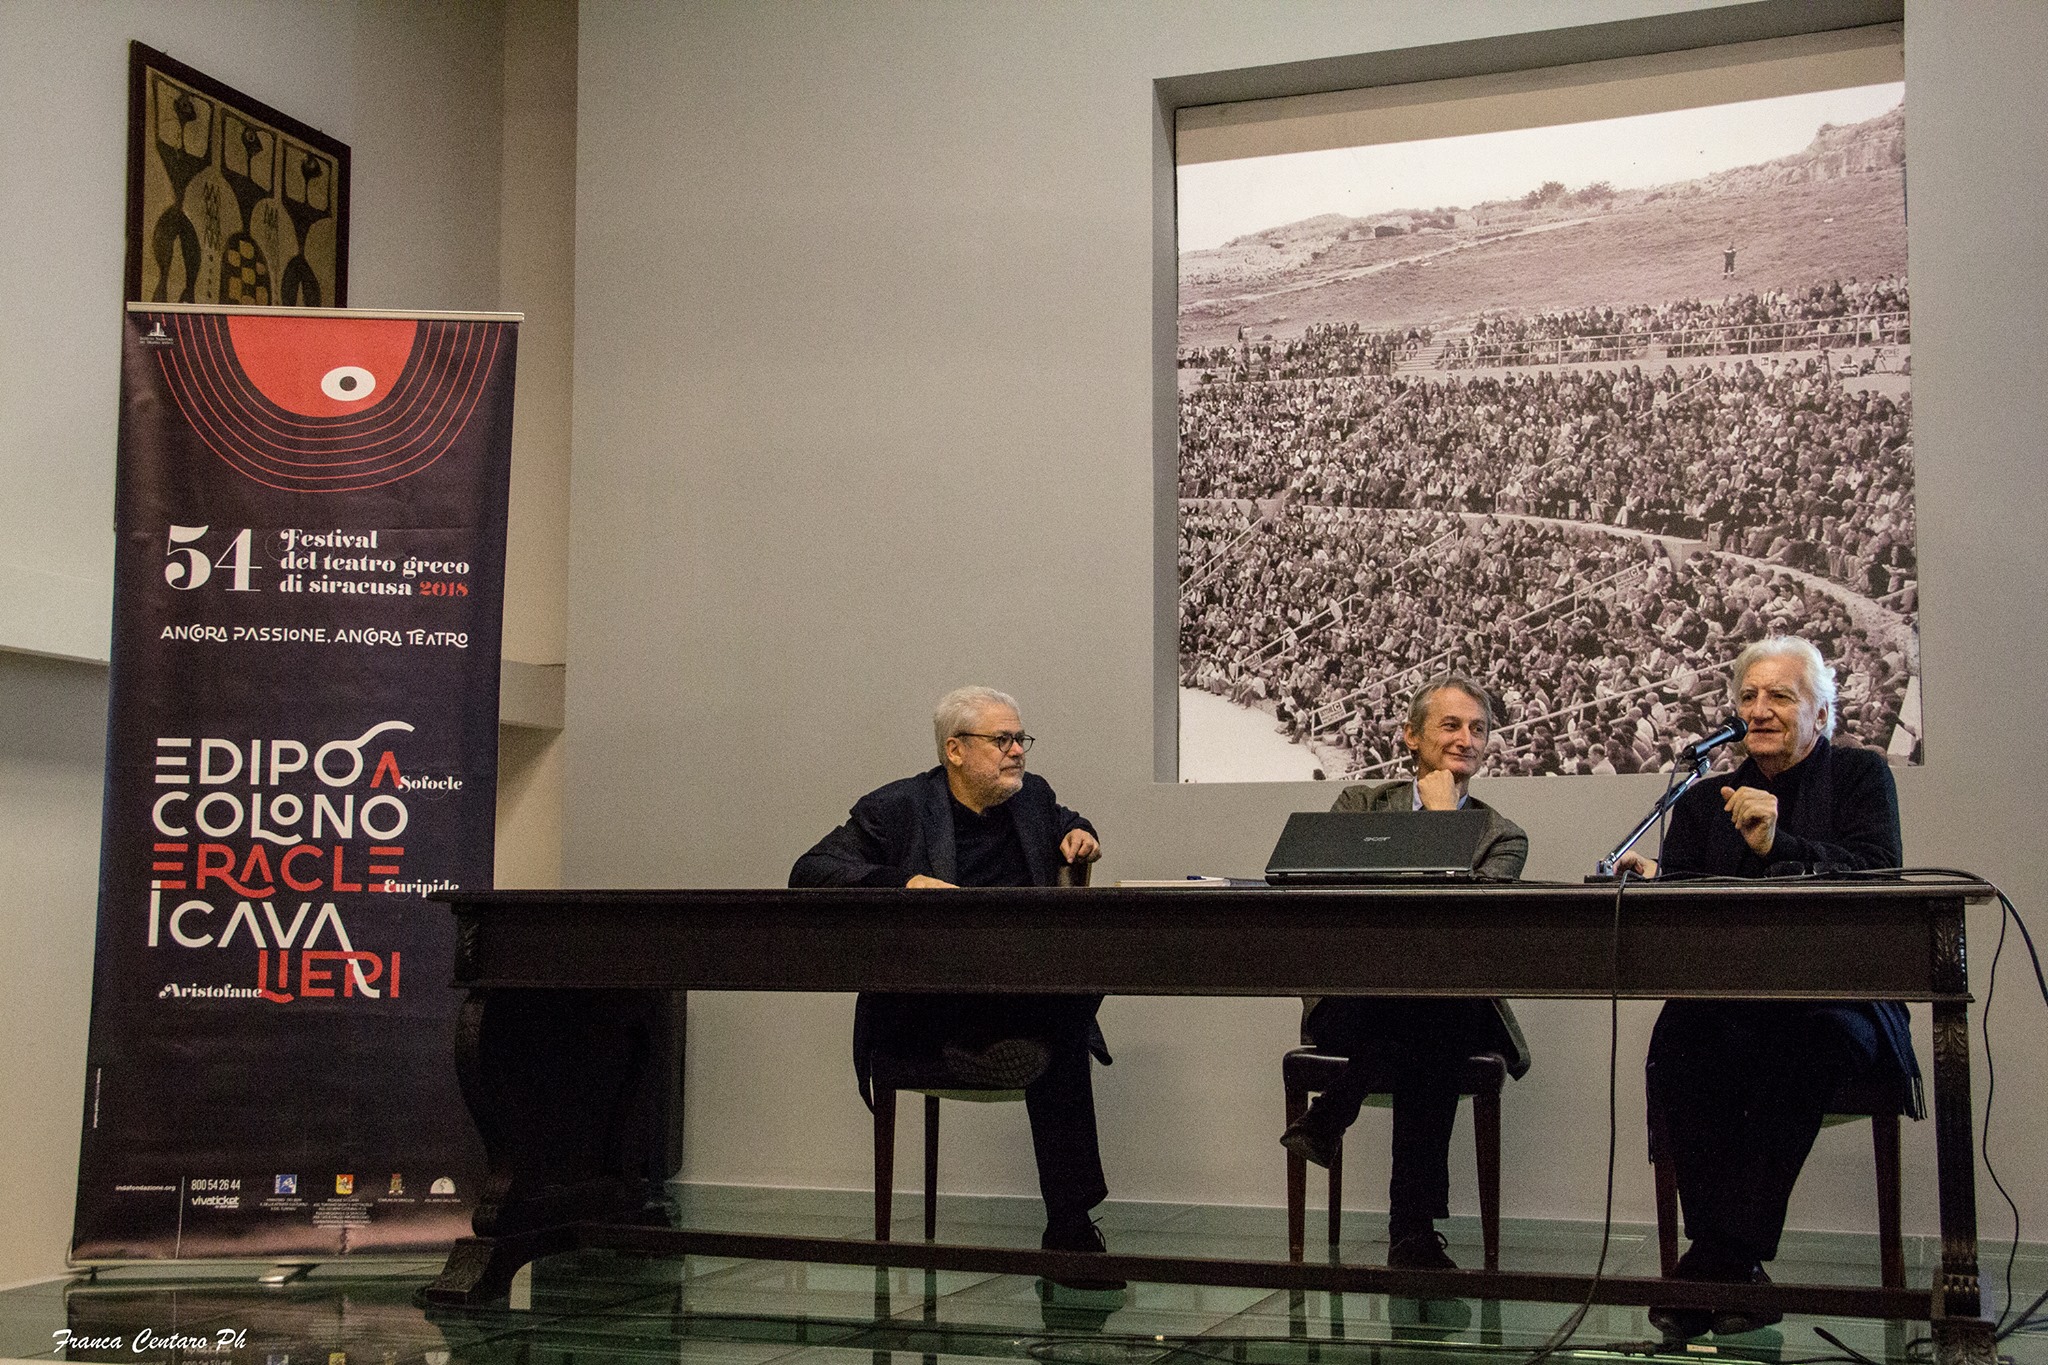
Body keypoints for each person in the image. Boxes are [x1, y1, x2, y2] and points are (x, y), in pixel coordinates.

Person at [1619, 637, 1916, 1340]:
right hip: (1729, 1005)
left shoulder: (1861, 777)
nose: (1760, 709)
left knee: (1802, 1041)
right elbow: (1687, 905)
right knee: (1680, 1037)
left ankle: (1716, 1259)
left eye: (1780, 695)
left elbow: (1877, 872)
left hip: (1841, 1002)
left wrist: (1781, 845)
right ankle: (1734, 1271)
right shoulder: (1698, 802)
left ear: (1821, 711)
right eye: (1749, 695)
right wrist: (1657, 883)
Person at [790, 686, 1119, 1287]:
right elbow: (810, 870)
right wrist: (906, 881)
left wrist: (1082, 835)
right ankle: (1069, 1228)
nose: (1018, 751)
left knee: (1069, 1009)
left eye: (1022, 739)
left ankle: (1068, 1224)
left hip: (1019, 1000)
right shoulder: (897, 808)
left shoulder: (1032, 797)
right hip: (927, 1004)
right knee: (1063, 1031)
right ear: (956, 751)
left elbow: (1066, 821)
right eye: (1003, 740)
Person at [1278, 675, 1532, 1270]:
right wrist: (1436, 834)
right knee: (1429, 1018)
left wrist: (1444, 826)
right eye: (1451, 725)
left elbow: (1467, 930)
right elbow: (1343, 904)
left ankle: (1334, 1111)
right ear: (1411, 738)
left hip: (1447, 999)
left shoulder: (1504, 836)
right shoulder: (1358, 806)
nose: (1467, 738)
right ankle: (1411, 1233)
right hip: (1356, 999)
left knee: (1435, 1005)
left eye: (1478, 728)